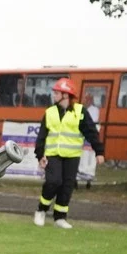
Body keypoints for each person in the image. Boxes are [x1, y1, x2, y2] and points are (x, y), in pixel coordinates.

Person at [34, 78, 105, 230]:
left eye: (57, 92)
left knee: (67, 186)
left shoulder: (80, 112)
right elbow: (41, 136)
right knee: (53, 182)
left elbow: (91, 132)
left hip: (72, 156)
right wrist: (40, 155)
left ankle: (60, 217)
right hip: (53, 154)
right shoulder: (50, 112)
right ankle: (41, 210)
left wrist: (99, 151)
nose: (54, 95)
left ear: (66, 95)